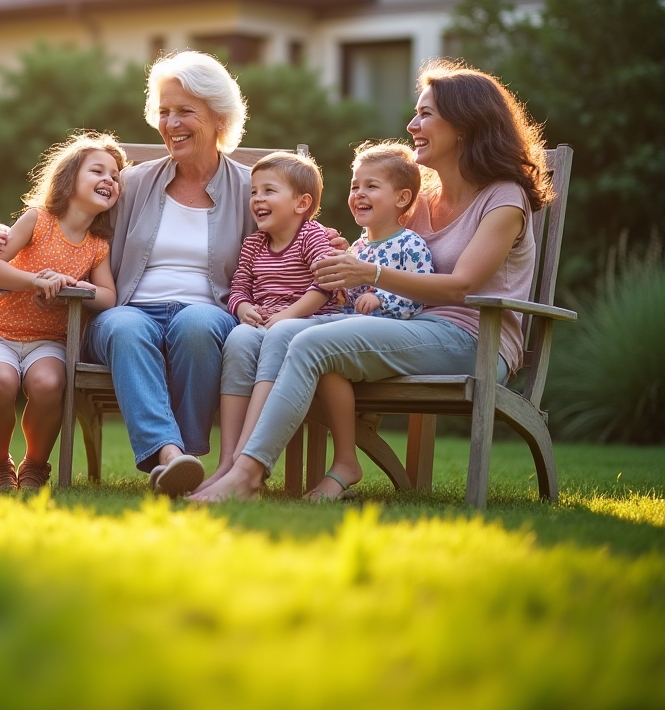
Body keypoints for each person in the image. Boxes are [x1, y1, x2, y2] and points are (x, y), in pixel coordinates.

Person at [193, 59, 552, 503]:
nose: (411, 123)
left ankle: (248, 476)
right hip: (405, 327)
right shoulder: (420, 200)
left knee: (308, 343)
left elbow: (462, 286)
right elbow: (372, 249)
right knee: (269, 334)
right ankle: (234, 465)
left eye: (425, 114)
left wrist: (372, 274)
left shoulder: (504, 198)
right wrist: (338, 253)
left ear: (464, 124)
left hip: (474, 339)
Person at [77, 51, 254, 497]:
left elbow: (290, 241)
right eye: (164, 111)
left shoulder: (252, 188)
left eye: (184, 112)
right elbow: (73, 224)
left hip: (209, 313)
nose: (171, 122)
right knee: (123, 325)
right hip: (129, 310)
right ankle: (173, 457)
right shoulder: (132, 184)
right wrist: (17, 238)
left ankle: (182, 459)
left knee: (198, 324)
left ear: (219, 119)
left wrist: (324, 242)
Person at [0, 133, 124, 492]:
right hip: (4, 333)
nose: (109, 179)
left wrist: (75, 286)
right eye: (98, 170)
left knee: (48, 384)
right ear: (70, 177)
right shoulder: (37, 219)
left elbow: (107, 297)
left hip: (51, 341)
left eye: (116, 176)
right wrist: (37, 281)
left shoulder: (97, 246)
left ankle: (35, 466)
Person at [196, 151, 346, 492]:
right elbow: (238, 289)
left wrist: (285, 315)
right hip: (264, 326)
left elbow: (325, 284)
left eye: (268, 191)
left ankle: (246, 463)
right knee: (237, 339)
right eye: (254, 192)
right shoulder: (253, 245)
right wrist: (243, 309)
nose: (257, 199)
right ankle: (229, 461)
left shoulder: (312, 236)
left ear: (301, 203)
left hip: (305, 323)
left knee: (275, 336)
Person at [343, 141, 434, 319]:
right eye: (355, 186)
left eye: (371, 186)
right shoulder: (357, 247)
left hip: (385, 333)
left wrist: (381, 299)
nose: (359, 193)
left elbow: (419, 295)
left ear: (401, 198)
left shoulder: (410, 245)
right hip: (348, 324)